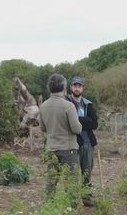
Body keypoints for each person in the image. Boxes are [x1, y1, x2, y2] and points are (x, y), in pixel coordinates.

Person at [38, 73, 82, 196]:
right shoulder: (68, 106)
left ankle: (50, 210)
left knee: (51, 183)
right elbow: (76, 129)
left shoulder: (43, 106)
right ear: (64, 87)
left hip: (52, 149)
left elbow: (42, 128)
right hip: (68, 150)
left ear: (49, 88)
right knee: (71, 183)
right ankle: (71, 213)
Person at [67, 76, 98, 206]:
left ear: (82, 88)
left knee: (87, 171)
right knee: (72, 173)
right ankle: (71, 200)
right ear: (71, 87)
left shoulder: (88, 104)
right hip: (72, 143)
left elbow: (94, 123)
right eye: (75, 85)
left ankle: (87, 198)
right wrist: (85, 121)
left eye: (79, 86)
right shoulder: (66, 103)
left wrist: (78, 119)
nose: (77, 88)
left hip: (87, 142)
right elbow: (67, 123)